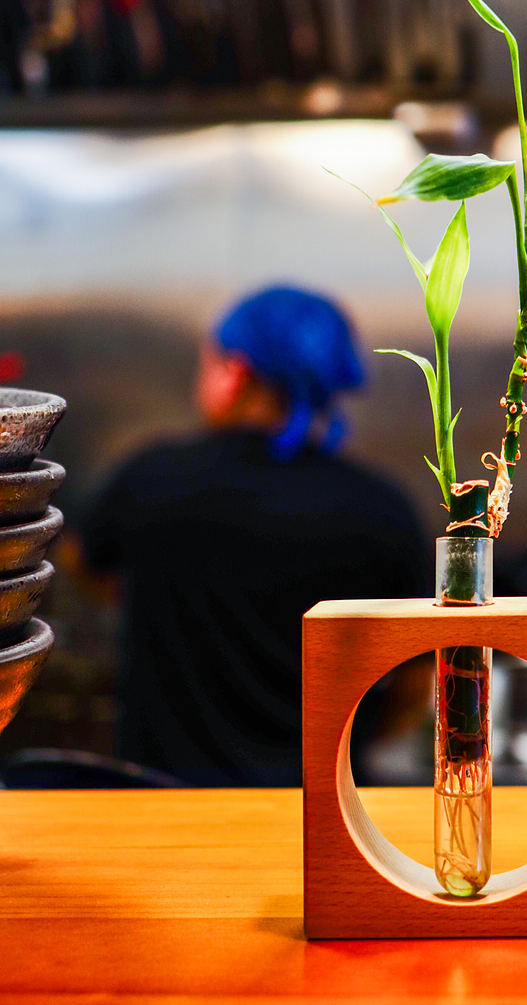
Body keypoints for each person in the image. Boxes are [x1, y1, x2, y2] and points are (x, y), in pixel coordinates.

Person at [70, 286, 427, 786]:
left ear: (233, 374)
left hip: (163, 803)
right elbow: (416, 679)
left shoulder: (151, 480)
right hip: (321, 813)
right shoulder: (382, 507)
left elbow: (85, 566)